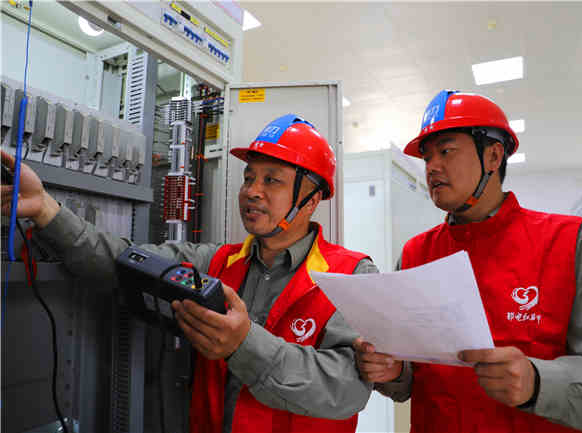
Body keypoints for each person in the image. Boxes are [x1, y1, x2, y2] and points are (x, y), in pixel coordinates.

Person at [1, 114, 375, 433]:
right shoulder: (215, 262)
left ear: (310, 200)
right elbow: (122, 261)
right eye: (249, 178)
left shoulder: (353, 275)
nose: (252, 191)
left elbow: (346, 389)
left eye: (271, 180)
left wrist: (244, 345)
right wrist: (46, 210)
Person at [354, 90, 582, 432]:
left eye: (446, 151)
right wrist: (392, 371)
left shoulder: (568, 243)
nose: (431, 167)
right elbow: (412, 374)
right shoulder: (415, 254)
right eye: (427, 156)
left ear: (493, 156)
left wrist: (539, 382)